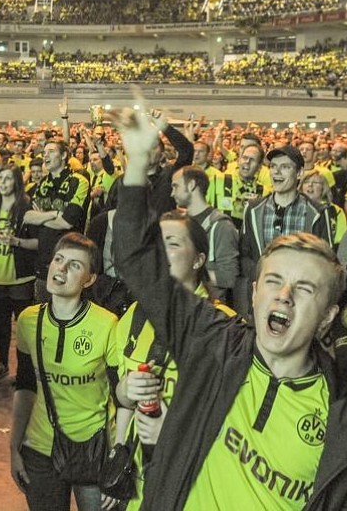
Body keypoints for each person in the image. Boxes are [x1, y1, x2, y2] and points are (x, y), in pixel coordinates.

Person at [111, 104, 347, 510]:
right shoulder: (210, 342)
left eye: (305, 288)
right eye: (273, 281)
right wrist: (137, 163)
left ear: (329, 316)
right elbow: (136, 256)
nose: (284, 296)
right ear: (254, 292)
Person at [114, 210, 236, 510]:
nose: (160, 252)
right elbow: (120, 399)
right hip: (138, 485)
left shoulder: (227, 328)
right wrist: (126, 390)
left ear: (198, 260)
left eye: (171, 243)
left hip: (189, 486)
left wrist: (175, 431)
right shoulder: (132, 316)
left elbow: (231, 421)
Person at [10, 233, 119, 511]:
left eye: (74, 265)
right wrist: (14, 447)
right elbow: (25, 387)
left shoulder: (107, 325)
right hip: (40, 449)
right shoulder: (28, 320)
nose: (61, 268)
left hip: (92, 450)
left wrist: (118, 461)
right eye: (58, 260)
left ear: (90, 279)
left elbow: (120, 399)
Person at [237, 144, 336, 318]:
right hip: (264, 297)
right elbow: (245, 254)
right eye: (273, 167)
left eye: (285, 167)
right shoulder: (253, 210)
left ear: (299, 174)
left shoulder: (318, 213)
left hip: (300, 302)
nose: (276, 172)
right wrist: (262, 278)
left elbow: (327, 260)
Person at [0, 165, 38, 383]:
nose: (3, 183)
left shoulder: (26, 206)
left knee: (23, 327)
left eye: (8, 179)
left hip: (21, 277)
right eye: (0, 178)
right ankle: (2, 365)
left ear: (17, 182)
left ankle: (25, 372)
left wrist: (16, 241)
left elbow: (38, 243)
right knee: (0, 325)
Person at [24, 140, 90, 303]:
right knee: (44, 314)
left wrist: (42, 217)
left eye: (51, 151)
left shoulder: (78, 181)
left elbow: (68, 222)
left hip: (69, 261)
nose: (46, 155)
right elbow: (28, 217)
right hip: (43, 260)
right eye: (44, 152)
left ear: (64, 155)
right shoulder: (42, 184)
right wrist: (55, 214)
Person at [170, 165, 239, 303]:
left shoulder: (221, 225)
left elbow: (229, 277)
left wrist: (188, 273)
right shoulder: (178, 222)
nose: (172, 193)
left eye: (175, 186)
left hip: (207, 308)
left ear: (191, 185)